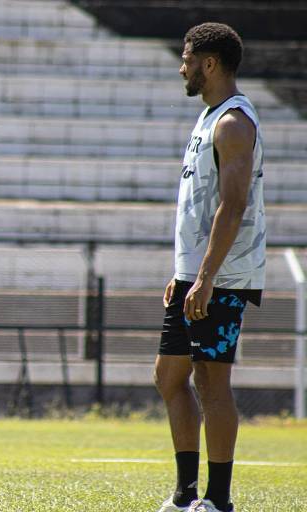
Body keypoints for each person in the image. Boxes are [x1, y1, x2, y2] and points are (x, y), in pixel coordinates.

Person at [155, 23, 265, 512]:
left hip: (221, 278)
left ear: (210, 63)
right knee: (169, 376)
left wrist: (204, 278)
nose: (182, 66)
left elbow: (234, 206)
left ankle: (218, 501)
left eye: (187, 57)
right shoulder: (208, 117)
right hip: (194, 275)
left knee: (210, 381)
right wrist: (183, 273)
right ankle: (185, 494)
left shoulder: (233, 123)